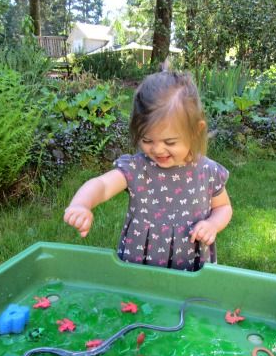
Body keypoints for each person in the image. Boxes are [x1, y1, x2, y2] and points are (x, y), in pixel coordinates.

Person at [64, 67, 232, 271]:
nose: (157, 149)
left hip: (191, 262)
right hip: (140, 264)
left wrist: (213, 225)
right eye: (146, 139)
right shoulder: (136, 167)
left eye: (170, 142)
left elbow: (223, 207)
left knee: (186, 301)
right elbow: (102, 185)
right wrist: (81, 204)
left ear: (196, 131)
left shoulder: (208, 171)